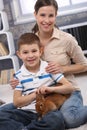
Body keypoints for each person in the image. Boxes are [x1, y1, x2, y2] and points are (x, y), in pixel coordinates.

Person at [2, 0, 87, 129]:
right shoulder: (30, 40)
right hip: (39, 94)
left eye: (51, 15)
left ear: (56, 15)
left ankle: (49, 117)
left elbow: (84, 65)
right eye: (42, 15)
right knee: (4, 111)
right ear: (35, 14)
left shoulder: (67, 39)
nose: (46, 20)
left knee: (69, 120)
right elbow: (27, 68)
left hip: (65, 90)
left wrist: (63, 68)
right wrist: (16, 79)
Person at [0, 32, 77, 130]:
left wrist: (51, 89)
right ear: (19, 54)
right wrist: (35, 95)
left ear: (40, 51)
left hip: (47, 111)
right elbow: (17, 102)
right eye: (25, 52)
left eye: (34, 51)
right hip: (27, 112)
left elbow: (69, 87)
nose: (30, 56)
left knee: (56, 120)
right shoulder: (19, 75)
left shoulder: (49, 68)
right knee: (1, 115)